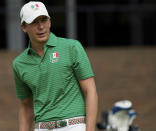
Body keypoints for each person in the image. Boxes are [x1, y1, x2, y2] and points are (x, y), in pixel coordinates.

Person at [12, 1, 98, 131]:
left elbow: (90, 91)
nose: (41, 26)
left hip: (74, 125)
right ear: (23, 27)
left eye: (44, 20)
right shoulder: (19, 64)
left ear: (50, 21)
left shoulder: (72, 47)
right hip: (41, 127)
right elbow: (26, 107)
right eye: (34, 22)